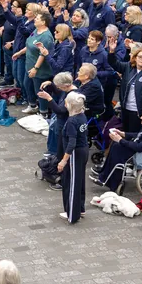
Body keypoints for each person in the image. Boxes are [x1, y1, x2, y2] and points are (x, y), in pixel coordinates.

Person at [93, 106, 142, 190]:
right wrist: (122, 133)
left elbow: (139, 147)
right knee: (115, 145)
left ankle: (111, 181)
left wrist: (120, 140)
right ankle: (104, 173)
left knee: (117, 148)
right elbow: (139, 135)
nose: (141, 117)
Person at [58, 92, 88, 224]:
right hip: (84, 150)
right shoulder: (82, 116)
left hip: (75, 153)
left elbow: (71, 143)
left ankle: (72, 214)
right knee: (79, 180)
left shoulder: (71, 121)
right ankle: (80, 208)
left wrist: (63, 160)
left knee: (72, 183)